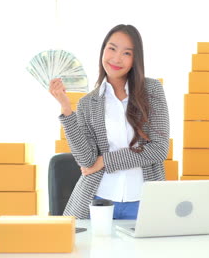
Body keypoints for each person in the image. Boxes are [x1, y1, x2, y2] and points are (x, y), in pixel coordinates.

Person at [49, 24, 170, 219]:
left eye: (127, 53)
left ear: (135, 59)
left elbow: (158, 150)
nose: (116, 58)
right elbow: (87, 161)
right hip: (97, 201)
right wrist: (66, 109)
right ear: (103, 50)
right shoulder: (88, 103)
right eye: (112, 49)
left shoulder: (152, 90)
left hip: (144, 201)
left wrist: (105, 160)